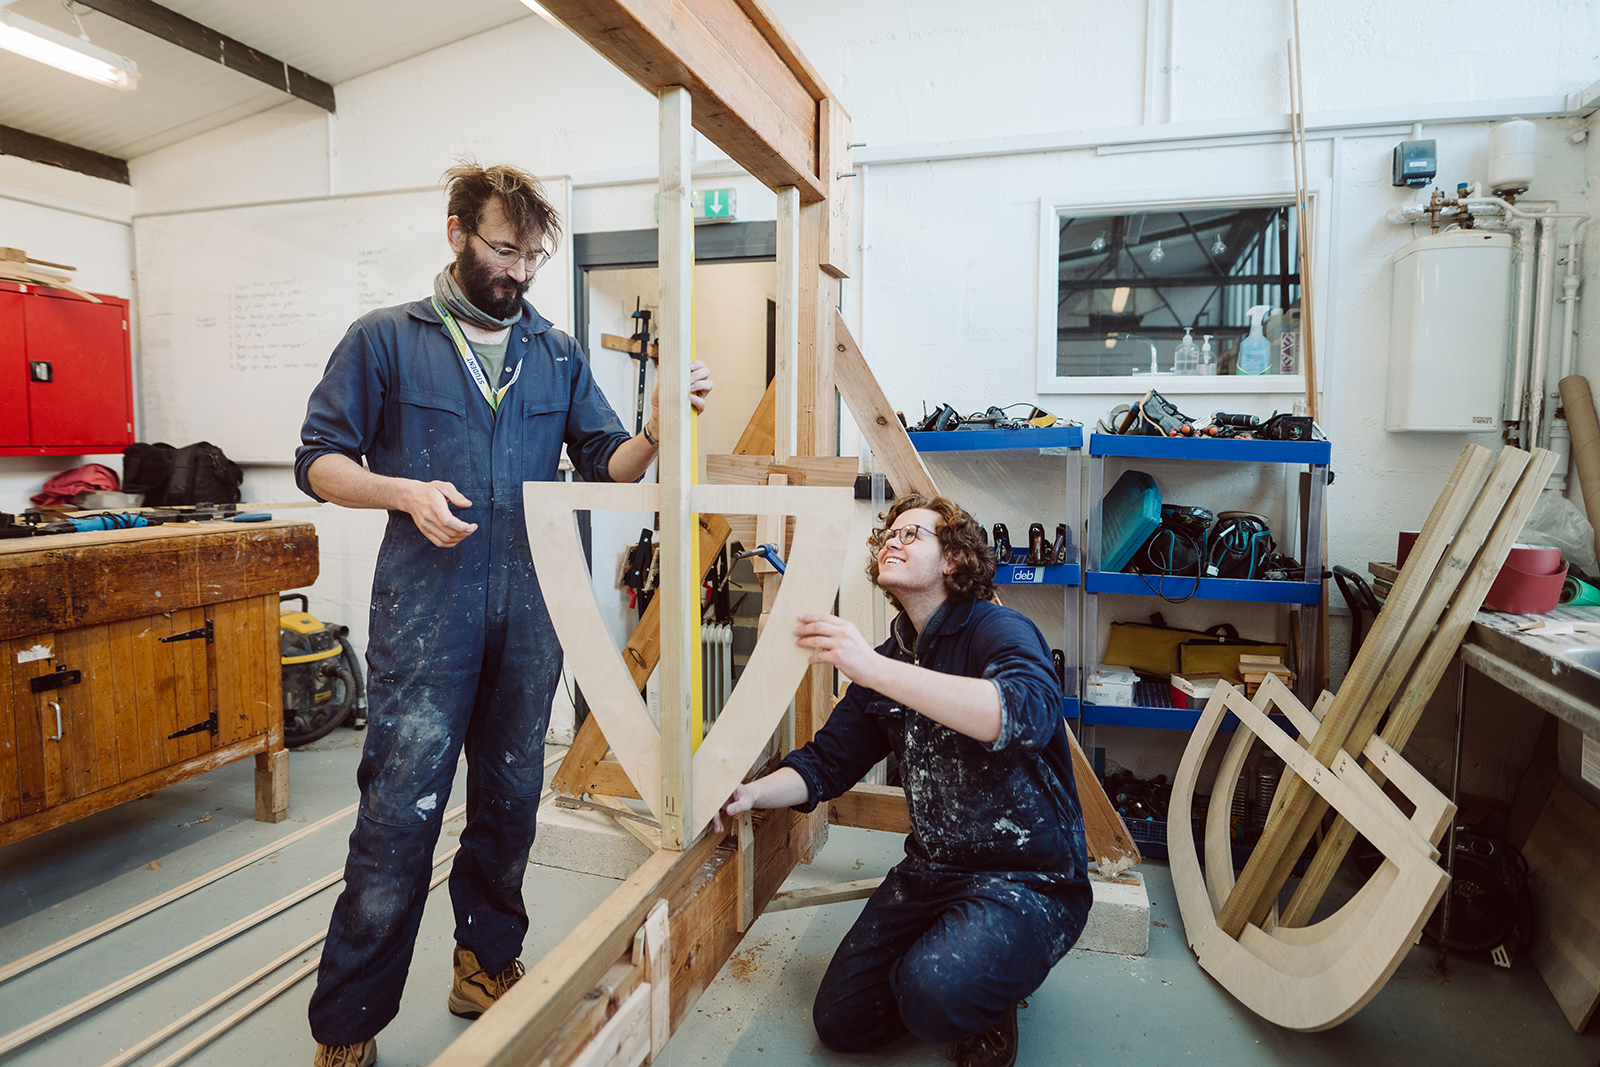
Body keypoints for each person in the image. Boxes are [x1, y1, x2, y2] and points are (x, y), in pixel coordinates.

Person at [294, 161, 711, 1067]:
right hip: (426, 613)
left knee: (511, 798)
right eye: (503, 248)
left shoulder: (555, 353)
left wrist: (661, 426)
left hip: (531, 605)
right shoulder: (385, 340)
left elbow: (608, 464)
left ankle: (484, 964)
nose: (519, 271)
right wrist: (403, 492)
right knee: (399, 815)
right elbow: (319, 461)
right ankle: (349, 1025)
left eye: (532, 255)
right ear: (456, 233)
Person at [715, 494, 1091, 1067]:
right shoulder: (890, 658)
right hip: (933, 870)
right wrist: (752, 794)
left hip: (1028, 877)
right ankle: (966, 954)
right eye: (889, 532)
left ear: (954, 561)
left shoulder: (999, 630)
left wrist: (870, 667)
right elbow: (827, 763)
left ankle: (990, 993)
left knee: (935, 996)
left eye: (913, 534)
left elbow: (1026, 713)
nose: (892, 538)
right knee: (842, 1021)